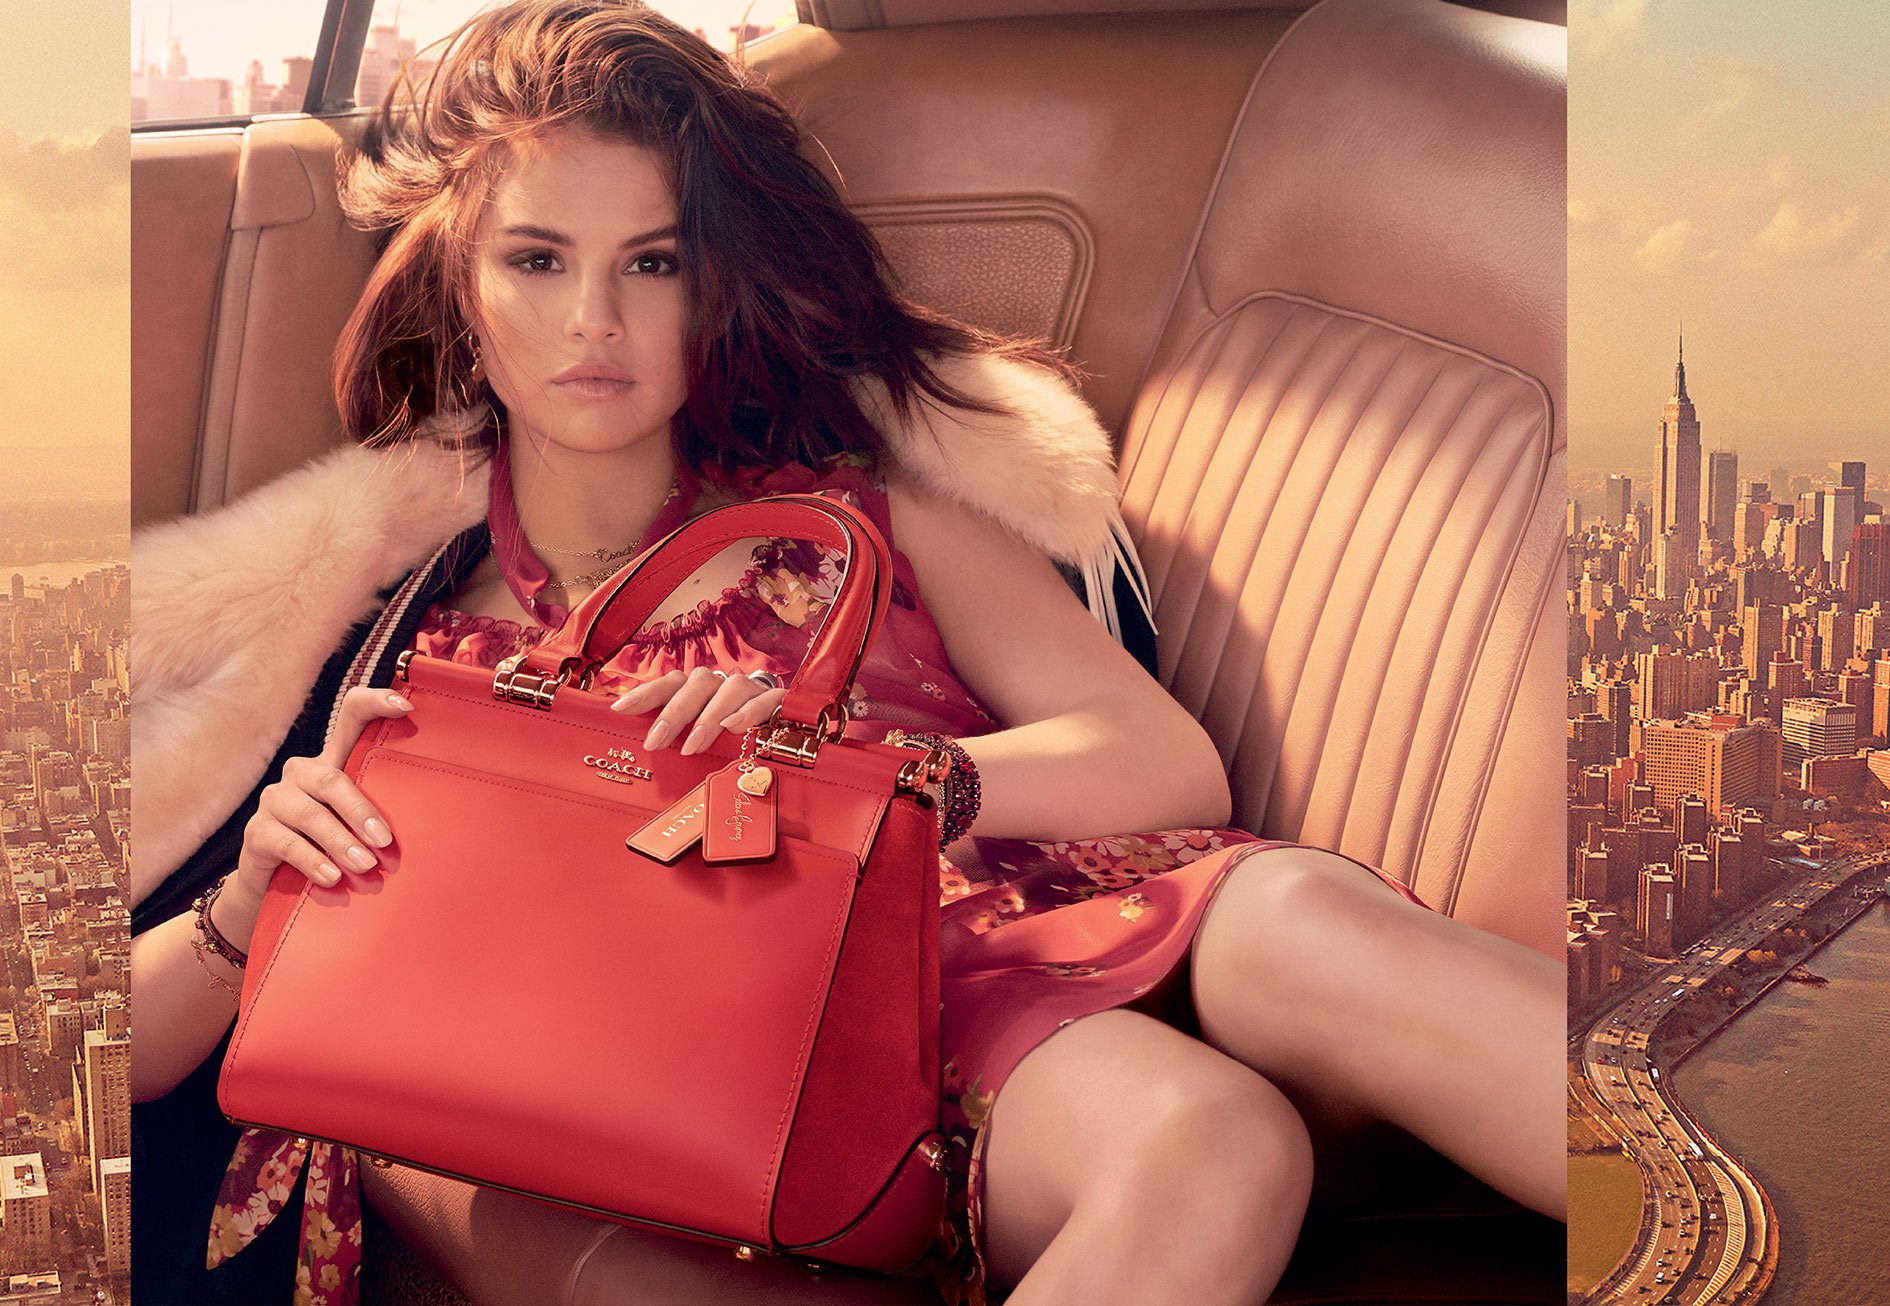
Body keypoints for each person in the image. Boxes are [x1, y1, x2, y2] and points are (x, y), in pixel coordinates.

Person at [129, 3, 1565, 1303]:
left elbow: (1161, 757)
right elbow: (141, 1038)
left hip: (1018, 934)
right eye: (538, 260)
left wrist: (866, 770)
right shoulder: (406, 625)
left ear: (717, 287)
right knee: (1211, 1138)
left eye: (653, 263)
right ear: (460, 283)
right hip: (756, 1051)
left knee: (1302, 929)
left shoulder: (863, 523)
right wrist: (259, 898)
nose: (595, 323)